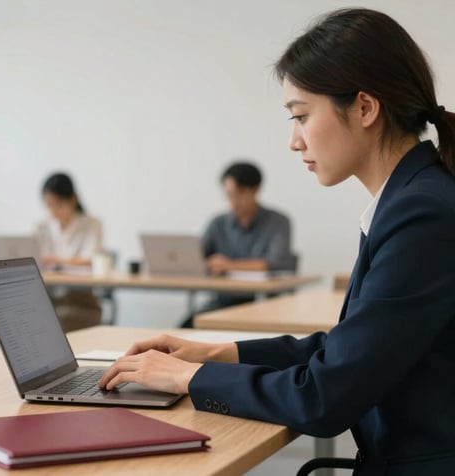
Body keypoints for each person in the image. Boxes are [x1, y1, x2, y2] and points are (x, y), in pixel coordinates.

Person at [99, 8, 455, 474]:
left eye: (301, 116)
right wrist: (217, 354)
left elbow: (325, 397)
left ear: (365, 108)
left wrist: (191, 377)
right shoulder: (412, 199)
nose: (294, 141)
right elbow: (346, 351)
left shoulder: (421, 212)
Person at [179, 162, 294, 327]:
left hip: (265, 304)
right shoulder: (218, 223)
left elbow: (275, 263)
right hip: (223, 302)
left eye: (239, 194)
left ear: (255, 190)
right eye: (228, 195)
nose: (233, 201)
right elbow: (198, 258)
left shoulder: (278, 222)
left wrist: (228, 265)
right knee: (185, 326)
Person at [34, 172, 103, 332]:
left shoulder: (91, 224)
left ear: (73, 200)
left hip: (79, 300)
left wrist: (55, 261)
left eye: (58, 205)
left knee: (53, 321)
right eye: (49, 205)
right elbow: (33, 256)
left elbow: (90, 260)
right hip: (46, 297)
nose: (53, 211)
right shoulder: (42, 226)